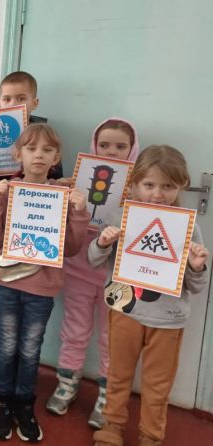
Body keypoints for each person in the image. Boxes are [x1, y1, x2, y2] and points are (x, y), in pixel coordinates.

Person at [91, 146, 209, 446]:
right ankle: (112, 426)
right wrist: (103, 243)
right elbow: (93, 260)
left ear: (181, 185)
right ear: (134, 184)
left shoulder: (188, 227)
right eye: (149, 184)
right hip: (124, 310)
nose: (157, 194)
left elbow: (196, 285)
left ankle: (152, 437)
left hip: (168, 320)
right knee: (117, 375)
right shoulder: (119, 217)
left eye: (168, 186)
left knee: (158, 386)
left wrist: (197, 267)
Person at [0, 124, 90, 442]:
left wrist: (79, 213)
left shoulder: (63, 197)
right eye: (31, 149)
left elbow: (70, 248)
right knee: (5, 347)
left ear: (57, 157)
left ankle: (24, 404)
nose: (38, 156)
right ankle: (1, 402)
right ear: (18, 154)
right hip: (6, 283)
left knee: (30, 350)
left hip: (42, 288)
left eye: (47, 150)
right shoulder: (7, 191)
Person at [0, 71, 64, 389]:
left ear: (34, 102)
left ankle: (21, 364)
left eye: (20, 98)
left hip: (34, 226)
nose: (12, 103)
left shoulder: (44, 135)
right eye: (7, 98)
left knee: (30, 293)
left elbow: (57, 181)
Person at [46, 118, 140, 429]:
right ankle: (67, 383)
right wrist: (62, 189)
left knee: (112, 338)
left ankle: (107, 398)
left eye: (120, 147)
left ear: (132, 150)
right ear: (94, 146)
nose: (111, 152)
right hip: (79, 269)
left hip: (118, 277)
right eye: (104, 145)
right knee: (74, 330)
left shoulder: (141, 188)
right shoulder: (78, 179)